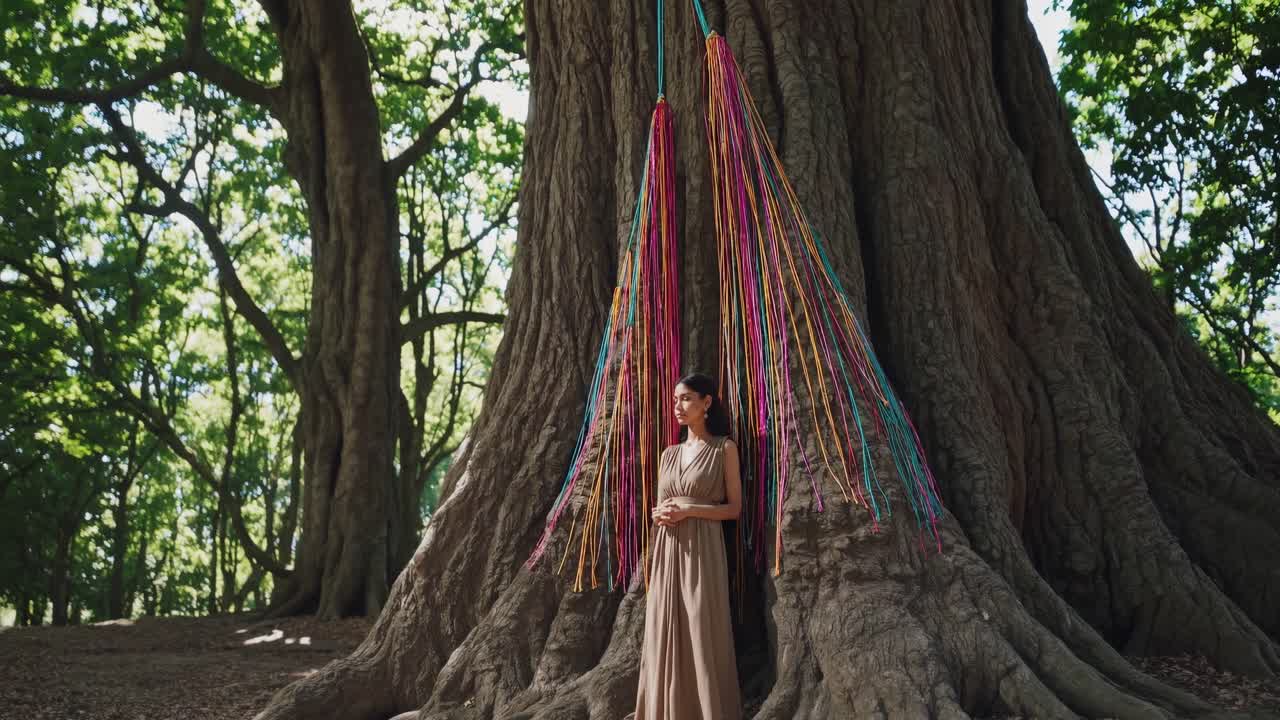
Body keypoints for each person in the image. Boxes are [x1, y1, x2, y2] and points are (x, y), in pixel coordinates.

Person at [632, 372, 743, 720]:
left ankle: (707, 710)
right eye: (676, 399)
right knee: (665, 625)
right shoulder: (668, 454)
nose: (677, 406)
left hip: (703, 549)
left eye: (686, 398)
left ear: (706, 403)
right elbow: (663, 504)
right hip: (667, 549)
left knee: (700, 623)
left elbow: (734, 509)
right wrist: (659, 514)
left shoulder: (724, 448)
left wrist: (690, 510)